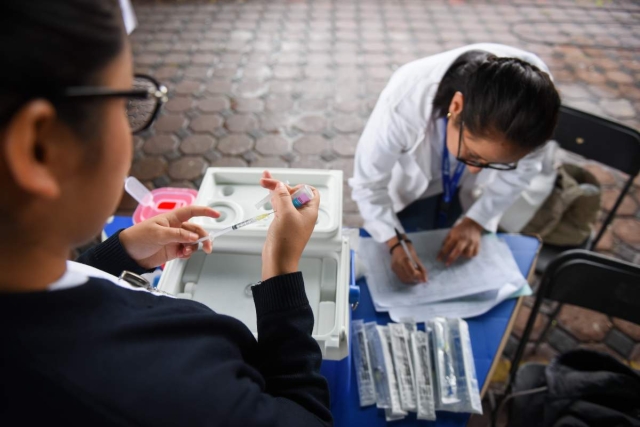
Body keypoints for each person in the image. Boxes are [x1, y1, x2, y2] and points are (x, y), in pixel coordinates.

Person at [0, 1, 332, 426]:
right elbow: (305, 417)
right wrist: (282, 269)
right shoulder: (172, 393)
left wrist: (119, 255)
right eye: (125, 104)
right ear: (38, 148)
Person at [349, 43, 560, 284]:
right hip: (413, 186)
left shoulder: (537, 114)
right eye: (471, 153)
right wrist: (395, 241)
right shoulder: (404, 101)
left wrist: (476, 220)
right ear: (456, 107)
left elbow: (523, 172)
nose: (474, 170)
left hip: (465, 193)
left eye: (495, 163)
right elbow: (368, 185)